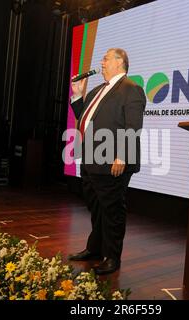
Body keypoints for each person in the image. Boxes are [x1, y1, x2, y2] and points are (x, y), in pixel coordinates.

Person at [68, 48, 146, 275]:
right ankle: (94, 249)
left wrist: (122, 155)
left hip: (114, 161)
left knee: (112, 210)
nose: (101, 62)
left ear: (120, 62)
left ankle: (112, 257)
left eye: (106, 58)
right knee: (96, 207)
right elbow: (83, 118)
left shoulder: (131, 89)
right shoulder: (95, 91)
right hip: (92, 159)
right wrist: (76, 95)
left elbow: (134, 127)